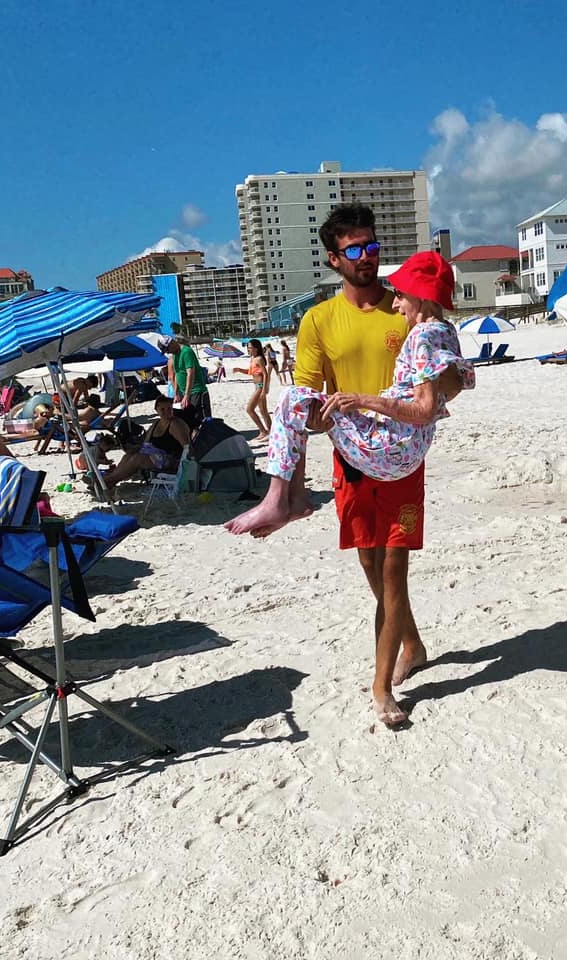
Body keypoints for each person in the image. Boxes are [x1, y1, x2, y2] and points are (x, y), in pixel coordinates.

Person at [226, 203, 431, 727]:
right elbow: (311, 399)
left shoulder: (404, 309)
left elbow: (439, 372)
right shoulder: (318, 320)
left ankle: (382, 686)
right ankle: (411, 640)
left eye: (374, 247)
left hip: (402, 458)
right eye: (356, 250)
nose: (368, 258)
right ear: (334, 259)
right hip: (352, 457)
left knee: (392, 568)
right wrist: (318, 418)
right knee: (368, 561)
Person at [226, 251, 473, 529]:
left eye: (401, 295)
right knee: (300, 405)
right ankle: (293, 498)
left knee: (292, 398)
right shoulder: (446, 331)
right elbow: (457, 385)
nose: (395, 303)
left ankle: (282, 500)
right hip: (409, 449)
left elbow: (424, 411)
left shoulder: (422, 335)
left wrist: (360, 400)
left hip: (389, 446)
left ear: (424, 297)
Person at [102, 396, 190, 489]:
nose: (166, 412)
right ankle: (110, 482)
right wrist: (133, 449)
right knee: (128, 456)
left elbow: (186, 447)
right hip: (155, 455)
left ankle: (106, 480)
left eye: (169, 408)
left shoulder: (175, 424)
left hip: (170, 459)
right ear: (157, 410)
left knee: (137, 459)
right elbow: (145, 443)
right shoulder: (156, 423)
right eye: (162, 409)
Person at [160, 336, 212, 429]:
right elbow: (177, 375)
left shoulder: (186, 352)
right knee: (190, 420)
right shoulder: (175, 355)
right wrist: (176, 393)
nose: (168, 352)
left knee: (202, 420)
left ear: (172, 343)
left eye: (167, 349)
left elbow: (190, 373)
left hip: (196, 391)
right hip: (184, 393)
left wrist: (187, 395)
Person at [233, 338, 272, 441]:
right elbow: (250, 372)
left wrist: (264, 390)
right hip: (256, 386)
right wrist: (239, 370)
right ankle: (267, 432)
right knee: (263, 411)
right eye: (248, 347)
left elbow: (265, 374)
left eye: (250, 348)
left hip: (260, 387)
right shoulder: (253, 359)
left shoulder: (259, 359)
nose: (248, 349)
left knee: (250, 409)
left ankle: (265, 431)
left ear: (256, 349)